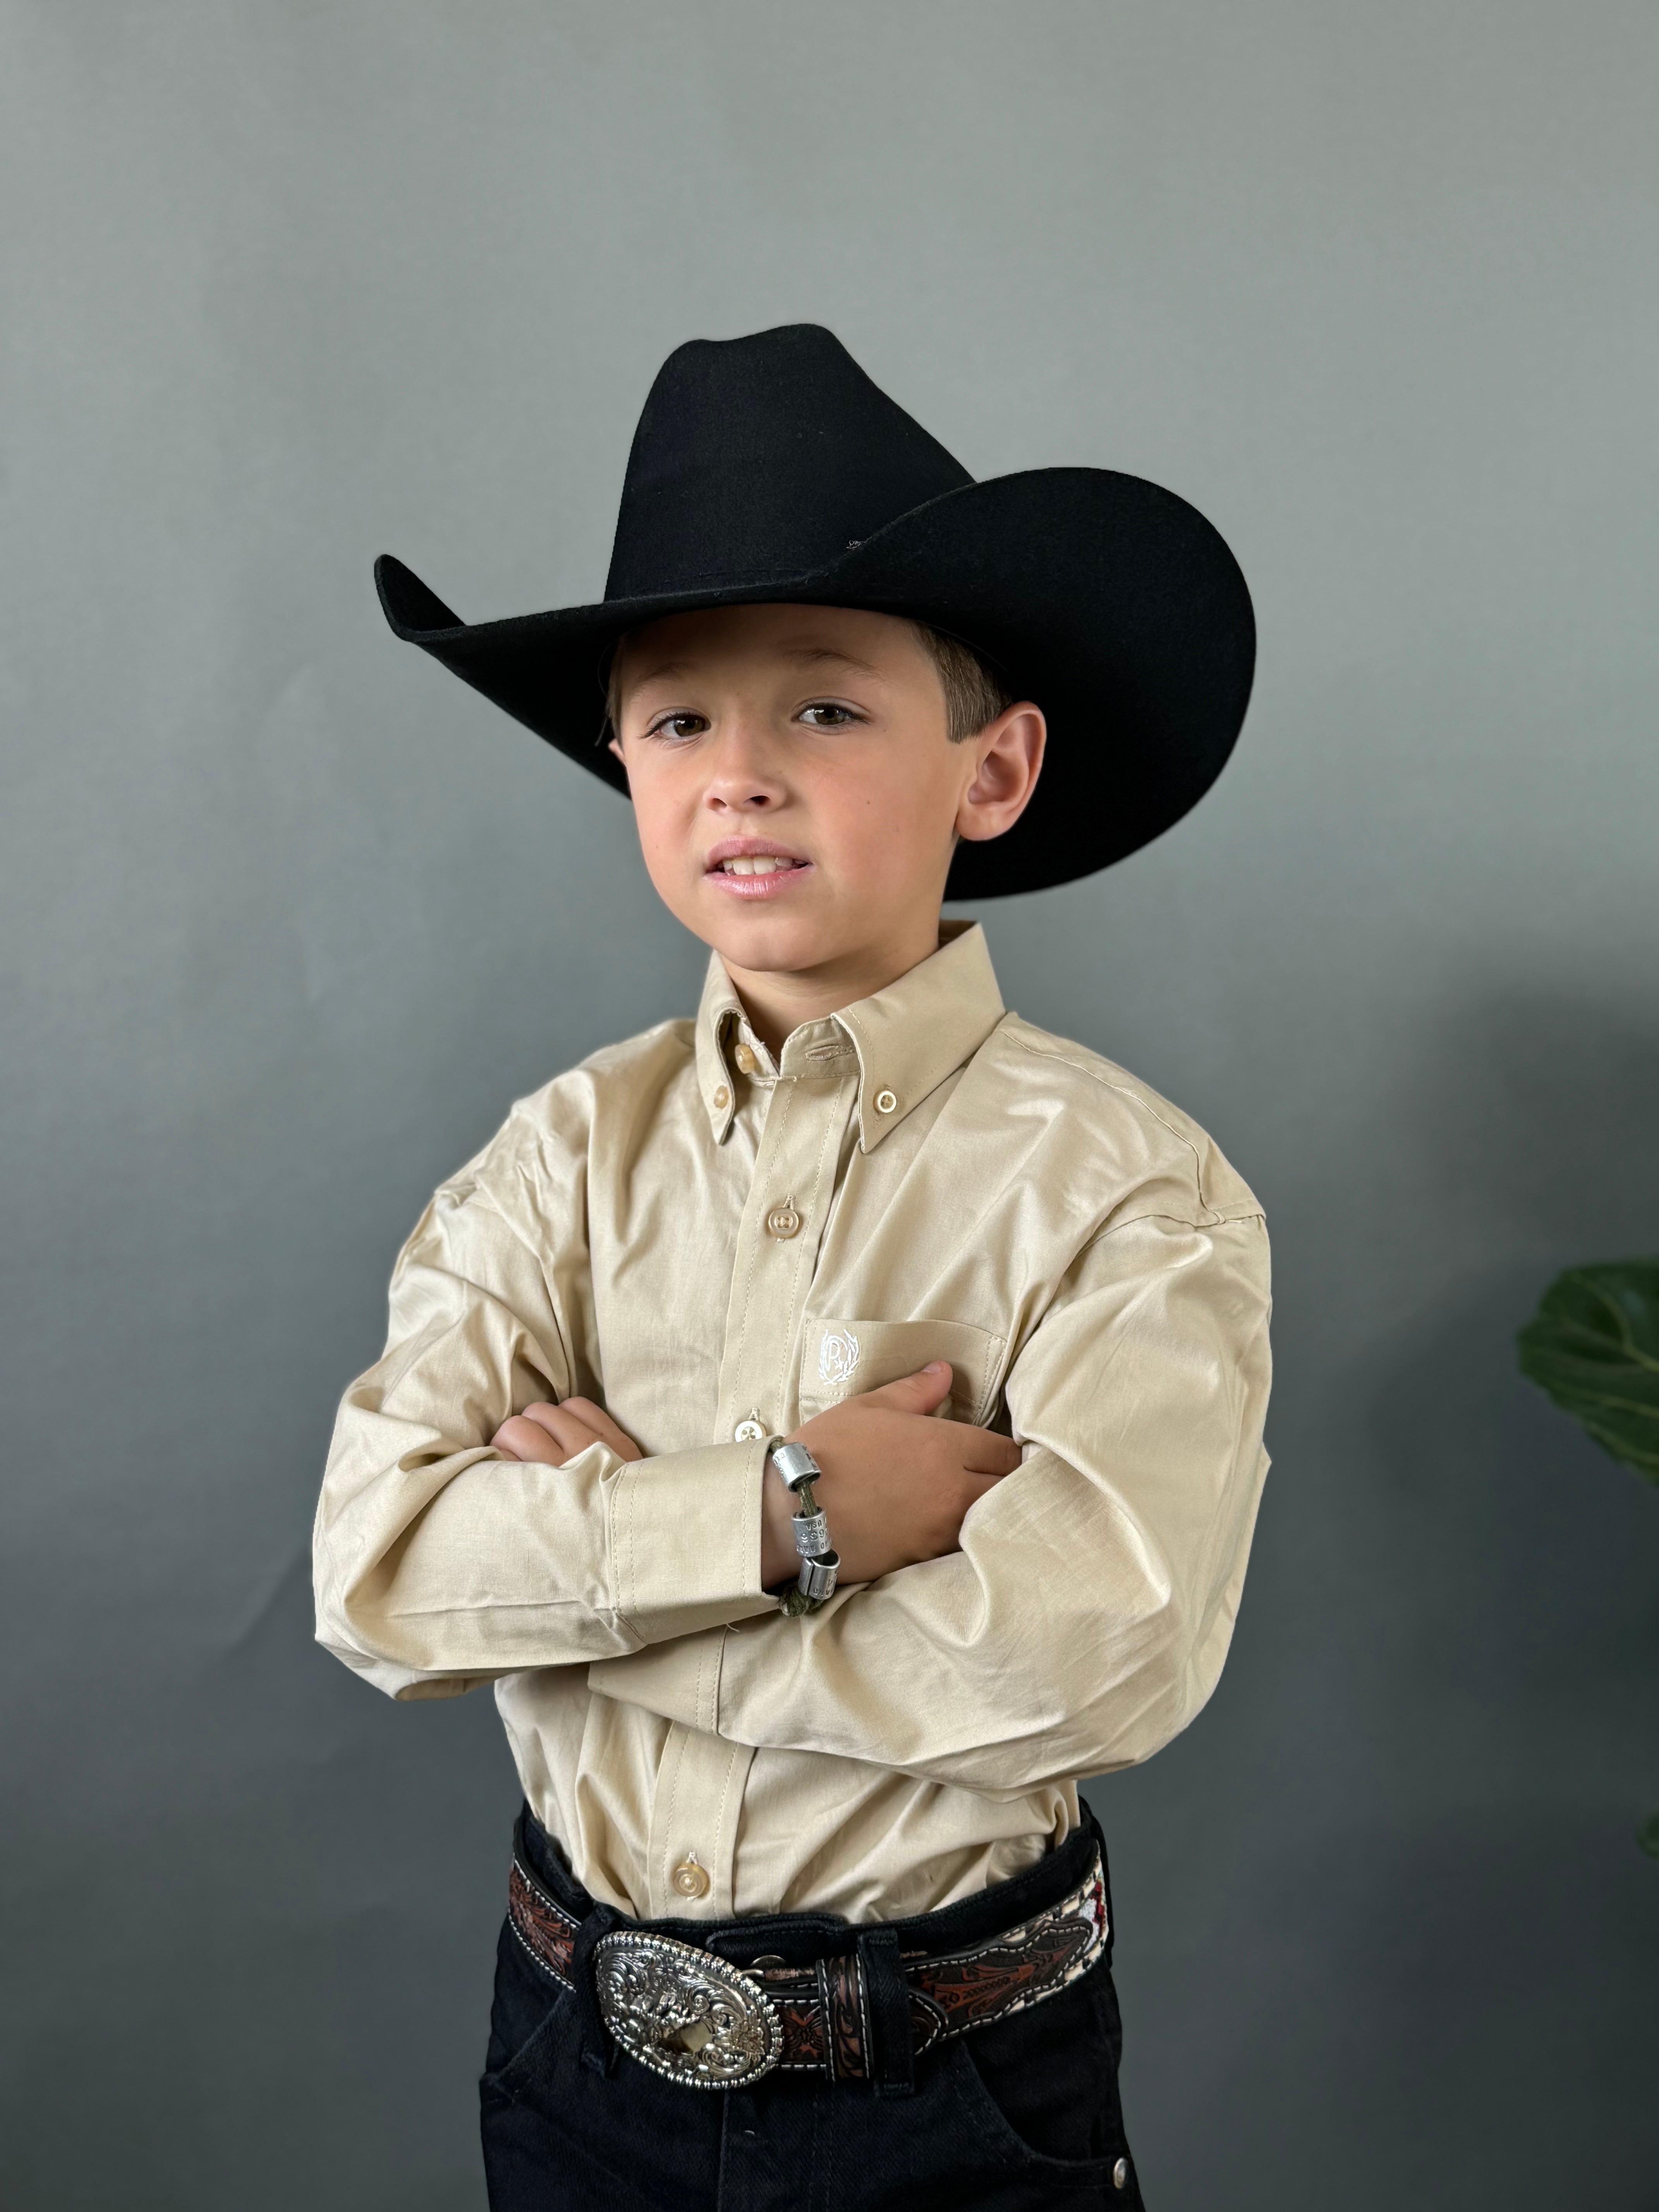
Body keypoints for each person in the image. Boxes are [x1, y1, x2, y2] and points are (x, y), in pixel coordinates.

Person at [313, 324, 1271, 2210]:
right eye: (678, 720)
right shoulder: (559, 1158)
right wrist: (789, 1518)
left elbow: (1099, 1658)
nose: (738, 775)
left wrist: (600, 1586)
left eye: (824, 711)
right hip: (575, 2052)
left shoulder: (1129, 1189)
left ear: (991, 771)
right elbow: (376, 1575)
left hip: (956, 2089)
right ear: (624, 766)